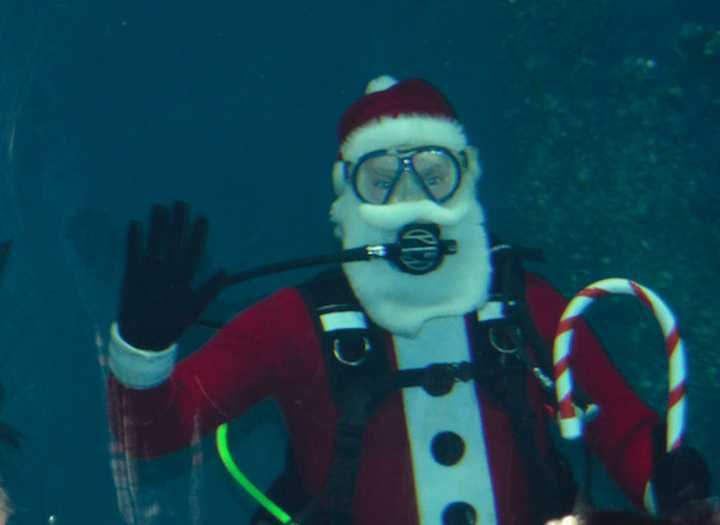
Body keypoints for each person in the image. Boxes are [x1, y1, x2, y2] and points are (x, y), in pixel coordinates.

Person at [106, 76, 714, 525]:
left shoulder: (528, 305)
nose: (411, 198)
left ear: (466, 177)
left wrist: (666, 485)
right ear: (348, 195)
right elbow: (150, 437)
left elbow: (623, 429)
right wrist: (143, 351)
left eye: (433, 172)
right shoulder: (295, 323)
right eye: (382, 178)